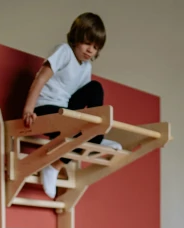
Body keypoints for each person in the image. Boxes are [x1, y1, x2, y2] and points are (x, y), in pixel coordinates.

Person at [22, 12, 122, 198]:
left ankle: (96, 136)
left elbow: (86, 98)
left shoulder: (86, 67)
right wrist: (29, 109)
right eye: (87, 43)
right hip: (46, 108)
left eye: (95, 47)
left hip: (65, 109)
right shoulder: (64, 51)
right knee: (81, 130)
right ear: (76, 38)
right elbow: (41, 78)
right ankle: (54, 166)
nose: (90, 50)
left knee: (95, 88)